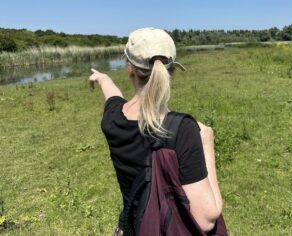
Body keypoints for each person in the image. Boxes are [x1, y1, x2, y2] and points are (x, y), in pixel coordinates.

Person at [88, 28, 223, 234]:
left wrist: (102, 78)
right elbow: (206, 219)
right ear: (172, 72)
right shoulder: (182, 129)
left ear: (129, 68)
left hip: (136, 227)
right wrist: (207, 143)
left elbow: (112, 95)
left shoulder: (112, 118)